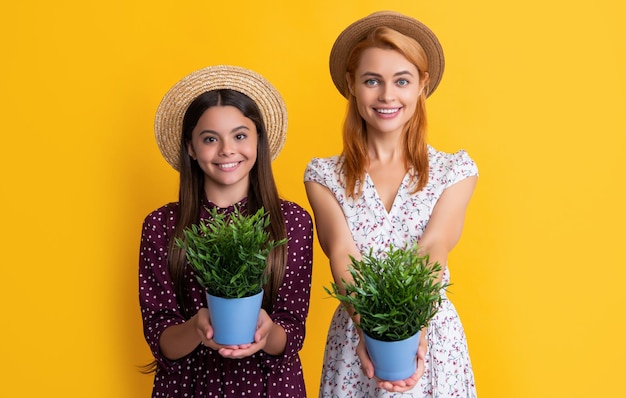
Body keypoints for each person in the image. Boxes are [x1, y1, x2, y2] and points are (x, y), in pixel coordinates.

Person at [304, 11, 478, 397]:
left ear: (422, 86)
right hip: (357, 339)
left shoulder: (454, 171)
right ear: (352, 84)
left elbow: (434, 248)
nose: (387, 95)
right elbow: (342, 253)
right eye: (372, 81)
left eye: (402, 80)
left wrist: (411, 330)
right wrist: (370, 329)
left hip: (429, 340)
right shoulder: (324, 176)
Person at [139, 65, 314, 397]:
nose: (226, 150)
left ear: (258, 140)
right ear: (190, 147)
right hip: (189, 388)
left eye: (240, 135)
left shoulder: (292, 222)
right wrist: (196, 327)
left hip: (270, 387)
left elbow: (292, 331)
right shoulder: (162, 226)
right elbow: (160, 336)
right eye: (209, 139)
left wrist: (267, 332)